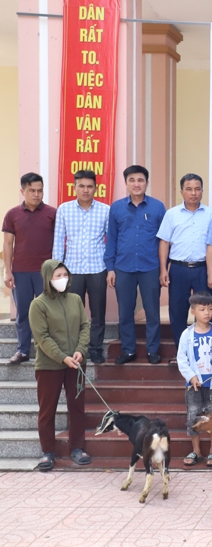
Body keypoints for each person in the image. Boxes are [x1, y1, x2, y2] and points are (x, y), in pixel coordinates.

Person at [29, 260, 90, 471]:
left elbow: (84, 325)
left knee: (77, 408)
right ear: (48, 279)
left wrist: (80, 350)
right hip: (49, 366)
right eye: (57, 276)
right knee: (47, 410)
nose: (62, 279)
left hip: (77, 364)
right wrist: (63, 357)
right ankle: (48, 452)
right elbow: (42, 338)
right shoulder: (38, 304)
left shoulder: (75, 299)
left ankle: (77, 448)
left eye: (64, 274)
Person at [105, 165, 166, 365]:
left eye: (140, 180)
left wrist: (164, 268)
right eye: (132, 180)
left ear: (146, 183)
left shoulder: (158, 207)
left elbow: (164, 240)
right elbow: (112, 239)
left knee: (152, 311)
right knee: (125, 311)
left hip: (150, 266)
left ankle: (153, 350)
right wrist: (111, 268)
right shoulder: (116, 208)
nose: (136, 184)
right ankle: (128, 350)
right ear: (126, 183)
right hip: (123, 267)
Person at [52, 171, 109, 365]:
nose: (85, 190)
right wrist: (56, 271)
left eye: (89, 186)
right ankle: (76, 350)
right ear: (74, 187)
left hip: (97, 268)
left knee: (98, 312)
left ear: (96, 188)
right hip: (72, 270)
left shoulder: (105, 210)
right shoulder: (64, 210)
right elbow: (59, 241)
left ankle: (95, 349)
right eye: (81, 186)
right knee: (73, 313)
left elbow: (110, 242)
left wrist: (110, 268)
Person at [3, 172, 57, 365]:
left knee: (48, 313)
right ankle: (23, 350)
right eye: (32, 190)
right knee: (23, 312)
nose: (36, 194)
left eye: (40, 190)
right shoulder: (12, 214)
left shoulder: (52, 213)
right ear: (22, 191)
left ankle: (49, 351)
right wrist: (7, 271)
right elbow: (8, 244)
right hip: (21, 271)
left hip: (46, 273)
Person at [158, 174, 212, 354]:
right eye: (189, 189)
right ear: (181, 191)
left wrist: (211, 271)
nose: (193, 193)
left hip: (202, 269)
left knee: (205, 310)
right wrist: (163, 270)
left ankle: (204, 351)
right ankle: (182, 352)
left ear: (202, 191)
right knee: (178, 311)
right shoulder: (171, 214)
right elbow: (164, 243)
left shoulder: (211, 215)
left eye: (197, 189)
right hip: (178, 269)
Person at [177, 291, 212, 468]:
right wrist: (191, 377)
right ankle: (196, 451)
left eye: (210, 309)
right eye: (202, 309)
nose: (207, 313)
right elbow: (182, 359)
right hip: (194, 386)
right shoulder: (187, 334)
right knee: (194, 416)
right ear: (193, 312)